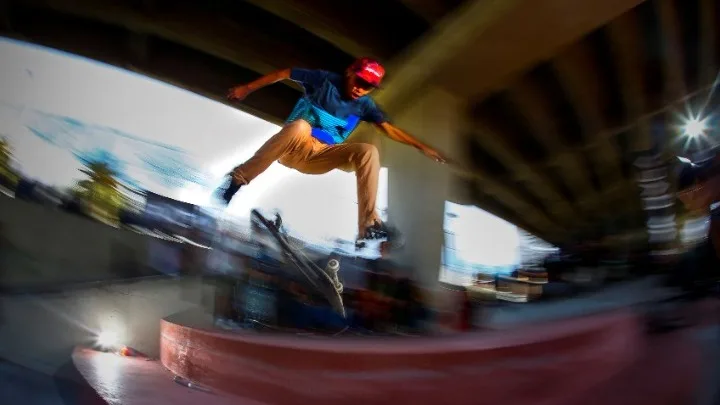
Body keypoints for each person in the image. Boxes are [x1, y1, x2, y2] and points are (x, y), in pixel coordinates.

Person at [218, 57, 446, 243]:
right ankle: (237, 180)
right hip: (292, 145)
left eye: (367, 87)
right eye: (358, 81)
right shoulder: (325, 80)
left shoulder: (365, 105)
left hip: (320, 157)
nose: (360, 89)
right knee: (300, 126)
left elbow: (389, 129)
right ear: (349, 72)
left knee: (369, 151)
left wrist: (422, 146)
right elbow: (284, 72)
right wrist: (247, 88)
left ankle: (368, 223)